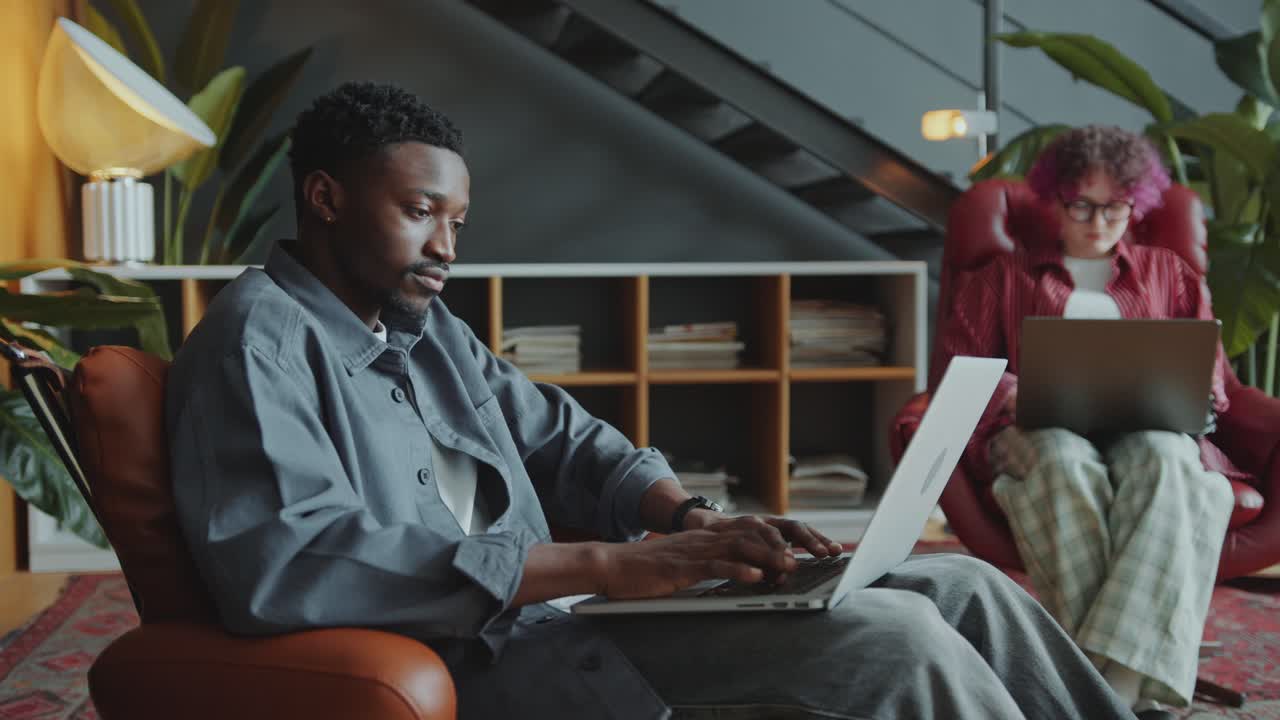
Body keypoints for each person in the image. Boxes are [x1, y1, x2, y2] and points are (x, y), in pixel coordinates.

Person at [166, 82, 1133, 720]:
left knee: (968, 586)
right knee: (900, 642)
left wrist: (691, 519)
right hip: (507, 659)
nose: (448, 248)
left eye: (457, 221)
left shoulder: (426, 332)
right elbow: (291, 559)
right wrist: (616, 566)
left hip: (579, 612)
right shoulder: (258, 342)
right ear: (326, 197)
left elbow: (563, 438)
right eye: (420, 213)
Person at [931, 125, 1239, 720]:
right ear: (1055, 200)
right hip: (1035, 433)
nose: (1098, 222)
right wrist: (1015, 392)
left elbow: (1215, 382)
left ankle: (1099, 687)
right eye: (1082, 205)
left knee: (1171, 459)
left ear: (1137, 204)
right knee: (1063, 460)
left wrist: (1186, 393)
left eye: (1115, 207)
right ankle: (1124, 684)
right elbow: (960, 367)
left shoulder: (1170, 273)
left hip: (1144, 429)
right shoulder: (1005, 276)